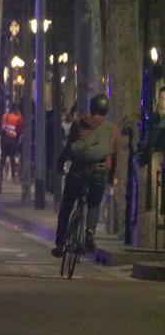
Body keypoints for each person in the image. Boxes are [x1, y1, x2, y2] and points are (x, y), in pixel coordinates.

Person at [52, 93, 119, 257]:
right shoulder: (112, 129)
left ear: (91, 108)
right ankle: (89, 232)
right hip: (99, 172)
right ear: (106, 110)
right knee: (94, 204)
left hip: (77, 171)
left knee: (67, 206)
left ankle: (60, 244)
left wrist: (61, 166)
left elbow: (69, 147)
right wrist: (111, 178)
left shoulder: (78, 123)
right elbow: (115, 155)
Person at [0, 104, 24, 179]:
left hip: (4, 139)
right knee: (12, 157)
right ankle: (13, 174)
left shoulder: (4, 116)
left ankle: (0, 173)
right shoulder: (17, 118)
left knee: (3, 157)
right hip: (12, 140)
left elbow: (1, 127)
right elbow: (20, 128)